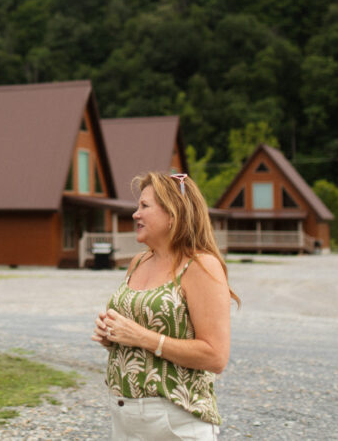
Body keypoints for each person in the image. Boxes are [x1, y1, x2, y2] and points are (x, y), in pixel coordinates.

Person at [92, 172, 239, 440]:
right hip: (124, 417)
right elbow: (138, 331)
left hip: (175, 422)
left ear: (173, 215)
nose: (135, 214)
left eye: (144, 206)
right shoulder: (138, 261)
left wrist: (140, 337)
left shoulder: (200, 266)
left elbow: (216, 356)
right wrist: (112, 336)